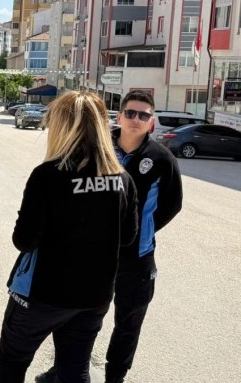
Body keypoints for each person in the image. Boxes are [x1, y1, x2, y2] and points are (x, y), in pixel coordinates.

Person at [0, 91, 138, 383]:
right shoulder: (122, 179)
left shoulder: (47, 175)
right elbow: (128, 238)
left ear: (62, 127)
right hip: (94, 295)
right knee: (75, 370)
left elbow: (24, 240)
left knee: (12, 363)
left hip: (43, 294)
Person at [104, 90, 183, 382]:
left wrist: (141, 229)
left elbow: (172, 205)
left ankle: (115, 376)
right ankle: (66, 368)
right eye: (130, 113)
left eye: (143, 115)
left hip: (137, 257)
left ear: (151, 121)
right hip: (94, 251)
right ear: (119, 115)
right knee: (78, 314)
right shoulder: (99, 146)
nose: (136, 119)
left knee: (128, 322)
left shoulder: (162, 158)